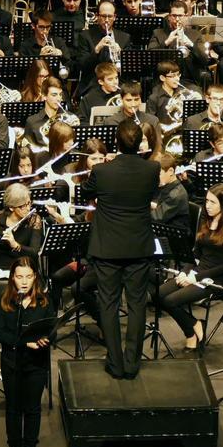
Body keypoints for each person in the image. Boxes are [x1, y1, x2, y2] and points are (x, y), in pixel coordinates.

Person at [82, 121, 159, 379]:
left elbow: (86, 192)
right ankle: (132, 363)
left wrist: (106, 165)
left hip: (107, 249)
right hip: (139, 246)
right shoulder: (152, 169)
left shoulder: (102, 171)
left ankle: (114, 363)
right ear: (140, 144)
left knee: (109, 305)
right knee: (137, 305)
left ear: (116, 142)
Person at [157, 183, 223, 351]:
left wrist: (196, 277)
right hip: (198, 271)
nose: (207, 206)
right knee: (158, 295)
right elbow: (196, 254)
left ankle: (191, 331)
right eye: (206, 201)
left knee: (171, 301)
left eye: (212, 202)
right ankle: (194, 326)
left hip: (217, 278)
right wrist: (185, 272)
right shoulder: (206, 220)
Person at [0, 257, 56, 447]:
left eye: (29, 276)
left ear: (35, 277)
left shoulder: (45, 301)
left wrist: (46, 339)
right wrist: (24, 342)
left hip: (36, 364)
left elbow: (52, 329)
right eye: (20, 277)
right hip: (12, 362)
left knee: (33, 408)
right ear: (12, 278)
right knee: (13, 408)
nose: (25, 281)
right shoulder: (5, 301)